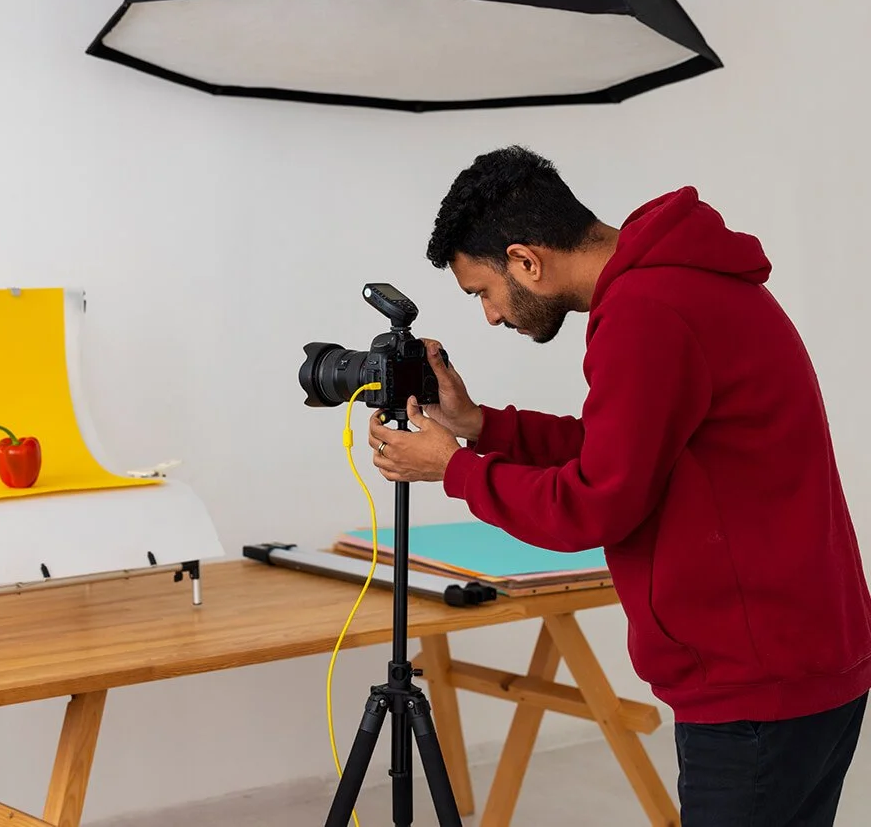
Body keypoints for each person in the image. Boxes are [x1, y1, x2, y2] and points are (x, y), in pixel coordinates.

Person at [367, 145, 871, 825]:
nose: (489, 315)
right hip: (802, 662)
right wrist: (482, 425)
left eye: (481, 291)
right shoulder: (680, 281)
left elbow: (595, 503)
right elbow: (620, 450)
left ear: (525, 260)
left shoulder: (645, 309)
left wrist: (451, 468)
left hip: (755, 686)